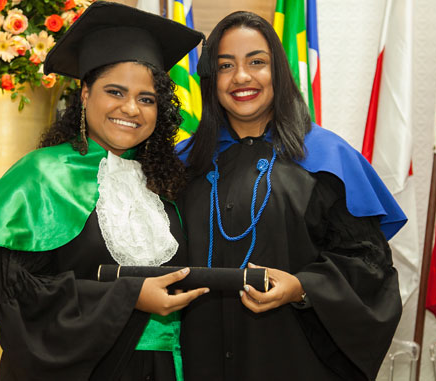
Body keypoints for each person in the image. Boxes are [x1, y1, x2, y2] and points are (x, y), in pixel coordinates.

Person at [0, 2, 208, 380]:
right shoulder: (40, 175)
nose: (131, 108)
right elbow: (15, 296)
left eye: (147, 99)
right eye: (115, 92)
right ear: (85, 94)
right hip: (85, 369)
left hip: (165, 369)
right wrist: (127, 297)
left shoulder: (165, 184)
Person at [176, 11, 405, 381]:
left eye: (257, 62)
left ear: (278, 72)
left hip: (294, 359)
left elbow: (369, 267)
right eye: (225, 65)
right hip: (197, 359)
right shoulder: (183, 164)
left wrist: (302, 287)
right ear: (210, 79)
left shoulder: (327, 159)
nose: (242, 77)